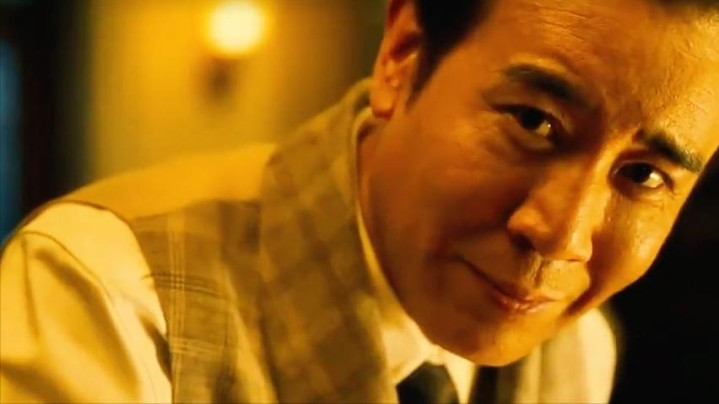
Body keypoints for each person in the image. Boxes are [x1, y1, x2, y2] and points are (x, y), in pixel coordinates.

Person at [2, 0, 719, 402]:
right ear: (402, 55)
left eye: (644, 176)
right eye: (534, 122)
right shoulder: (108, 294)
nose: (560, 235)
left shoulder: (577, 351)